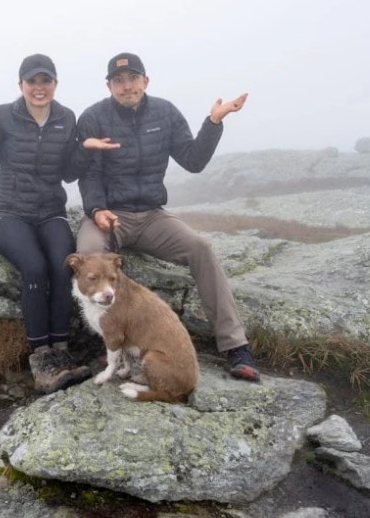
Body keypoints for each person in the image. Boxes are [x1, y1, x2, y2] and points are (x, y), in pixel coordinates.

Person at [75, 52, 261, 382]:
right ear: (109, 86)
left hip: (151, 216)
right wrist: (96, 210)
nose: (126, 85)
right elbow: (88, 173)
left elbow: (193, 160)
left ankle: (236, 347)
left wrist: (214, 123)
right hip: (109, 215)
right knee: (89, 252)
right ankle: (108, 345)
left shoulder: (165, 113)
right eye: (118, 80)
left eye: (133, 78)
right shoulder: (93, 117)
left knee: (200, 247)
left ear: (146, 81)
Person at [0, 54, 92, 394]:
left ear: (55, 83)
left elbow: (69, 172)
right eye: (32, 81)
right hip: (9, 213)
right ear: (21, 85)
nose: (39, 88)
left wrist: (85, 150)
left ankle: (62, 351)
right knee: (35, 269)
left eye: (46, 81)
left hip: (50, 212)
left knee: (64, 266)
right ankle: (41, 357)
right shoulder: (4, 115)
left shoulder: (66, 118)